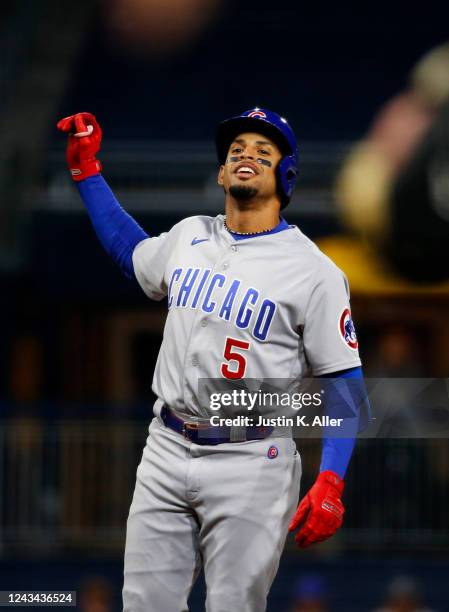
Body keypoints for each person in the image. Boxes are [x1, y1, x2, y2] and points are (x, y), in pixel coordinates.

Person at [57, 108, 368, 612]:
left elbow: (345, 382)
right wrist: (86, 173)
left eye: (264, 151)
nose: (247, 154)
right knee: (143, 604)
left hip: (252, 460)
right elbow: (129, 251)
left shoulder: (315, 271)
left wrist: (331, 478)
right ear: (223, 173)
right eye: (237, 149)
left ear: (285, 176)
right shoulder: (189, 235)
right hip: (165, 445)